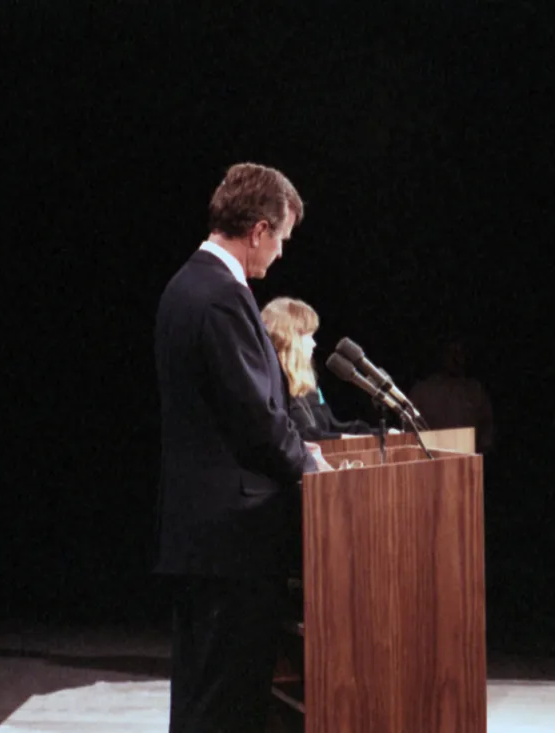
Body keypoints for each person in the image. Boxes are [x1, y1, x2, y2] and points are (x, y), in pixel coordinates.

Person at [154, 163, 332, 733]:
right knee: (225, 706)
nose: (279, 254)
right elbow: (257, 419)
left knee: (206, 700)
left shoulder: (186, 286)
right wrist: (311, 465)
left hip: (205, 537)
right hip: (232, 541)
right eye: (280, 239)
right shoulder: (220, 296)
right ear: (257, 230)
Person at [260, 296, 379, 441]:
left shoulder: (308, 387)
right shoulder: (269, 385)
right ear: (289, 338)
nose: (314, 344)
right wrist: (345, 438)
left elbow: (331, 426)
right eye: (308, 336)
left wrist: (379, 435)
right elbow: (298, 437)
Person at [407, 338, 495, 452]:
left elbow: (487, 428)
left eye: (459, 352)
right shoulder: (423, 391)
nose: (455, 358)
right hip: (433, 459)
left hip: (468, 460)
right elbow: (409, 431)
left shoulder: (475, 390)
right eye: (451, 352)